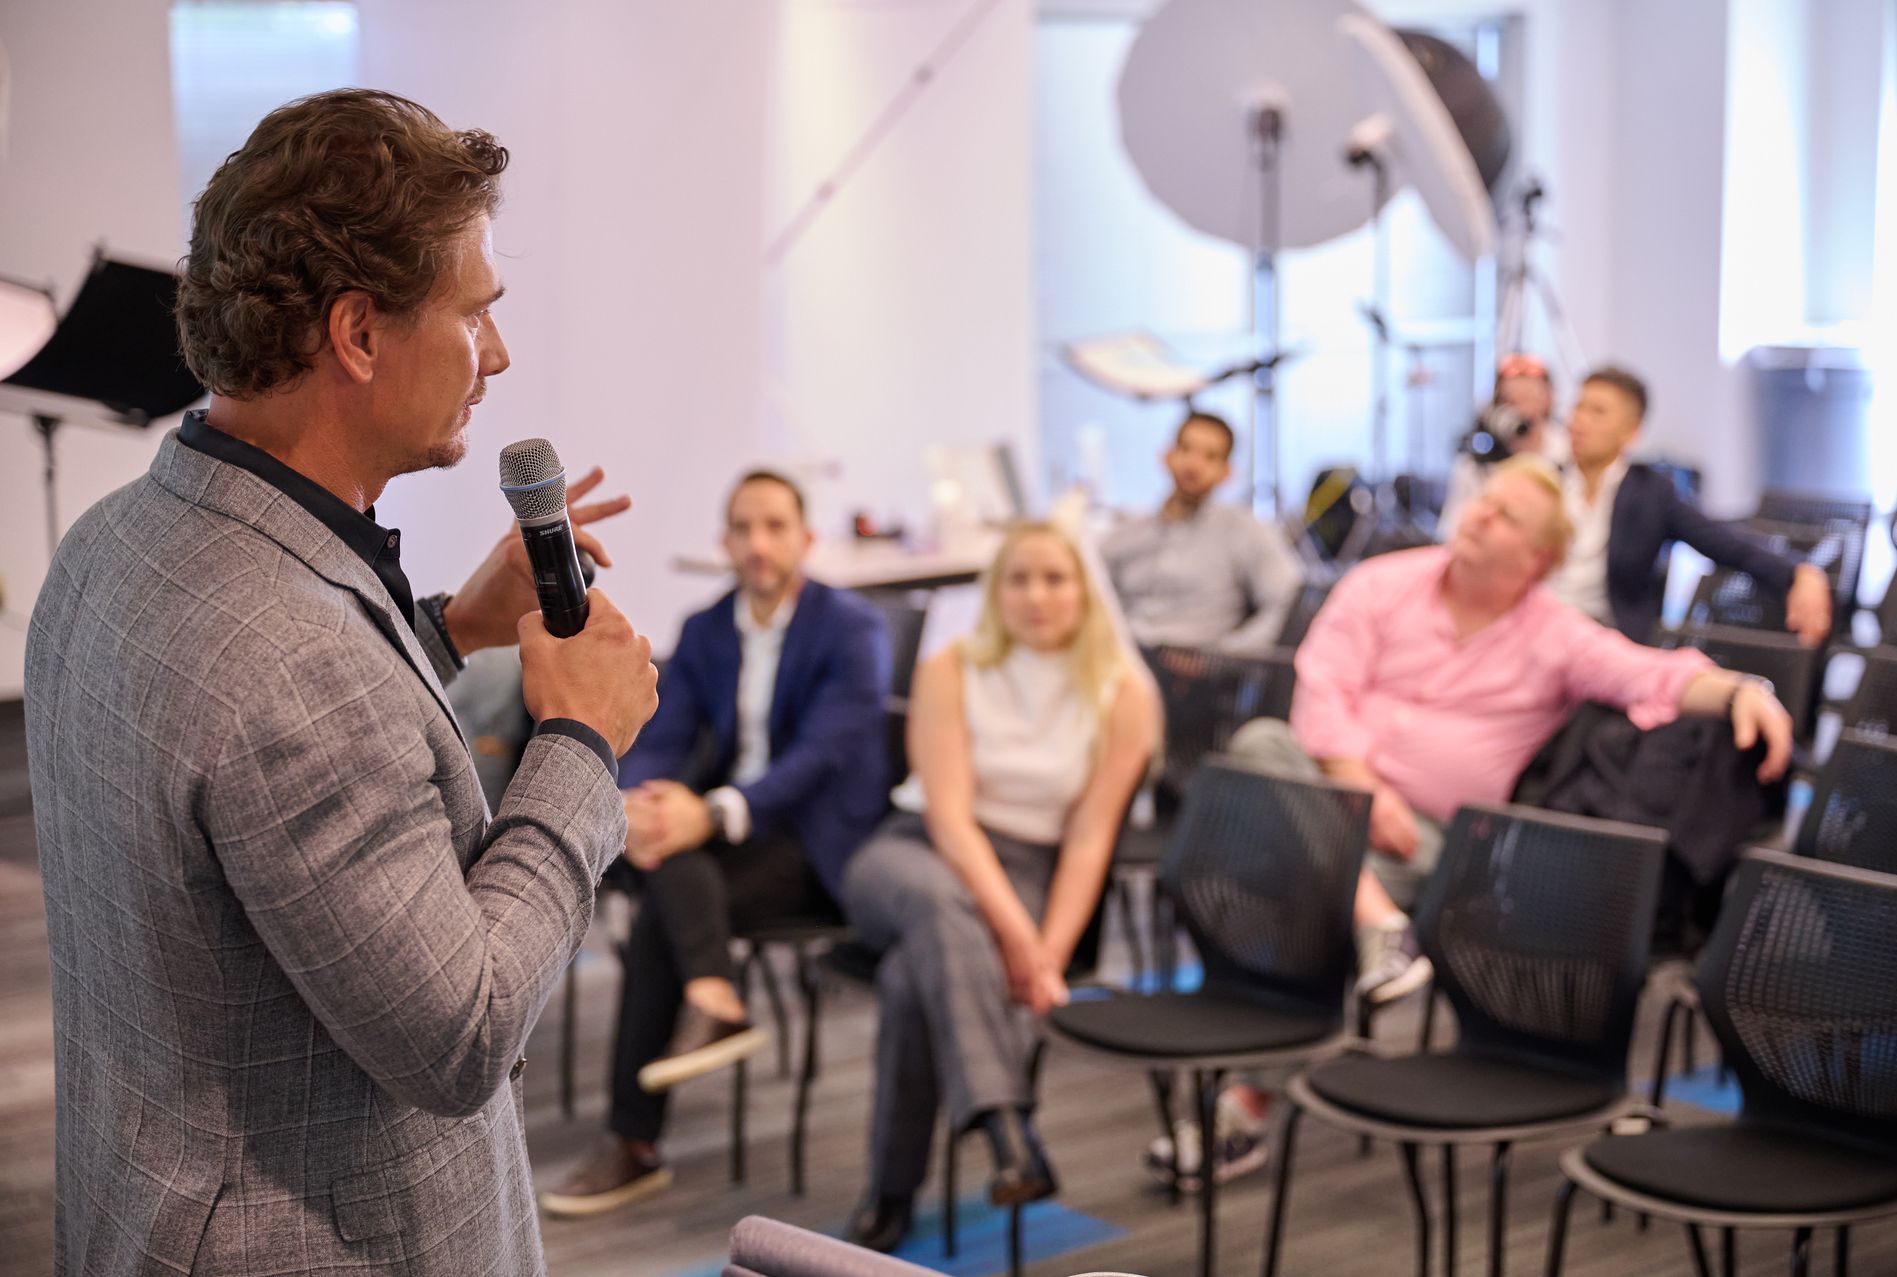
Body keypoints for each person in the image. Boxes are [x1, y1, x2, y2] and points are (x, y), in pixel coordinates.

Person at [25, 89, 658, 1275]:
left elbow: (259, 749)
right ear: (360, 334)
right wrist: (579, 737)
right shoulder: (292, 666)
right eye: (477, 315)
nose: (500, 356)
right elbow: (461, 1036)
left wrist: (455, 626)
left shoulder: (113, 542)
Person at [1147, 455, 1796, 1191]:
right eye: (1484, 502)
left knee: (1295, 878)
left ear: (1539, 559)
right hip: (1329, 793)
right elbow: (1321, 689)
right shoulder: (1382, 583)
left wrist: (1746, 687)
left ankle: (1247, 1101)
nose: (1480, 515)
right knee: (1261, 744)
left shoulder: (1556, 633)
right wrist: (1364, 791)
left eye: (1506, 515)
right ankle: (1378, 926)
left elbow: (1653, 674)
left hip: (1431, 838)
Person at [538, 469, 892, 1218]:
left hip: (816, 841)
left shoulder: (852, 628)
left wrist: (715, 811)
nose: (758, 544)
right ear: (724, 541)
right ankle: (713, 993)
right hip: (725, 839)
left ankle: (633, 1140)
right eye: (743, 528)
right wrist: (645, 797)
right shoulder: (707, 627)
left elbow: (822, 758)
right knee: (662, 847)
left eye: (774, 527)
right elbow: (662, 734)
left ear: (806, 538)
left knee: (668, 883)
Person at [840, 522, 1159, 1253]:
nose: (1037, 595)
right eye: (1018, 578)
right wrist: (1021, 943)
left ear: (1085, 589)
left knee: (911, 979)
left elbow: (1088, 838)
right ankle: (1005, 1121)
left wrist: (1048, 949)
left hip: (1028, 869)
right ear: (994, 591)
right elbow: (950, 819)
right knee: (936, 905)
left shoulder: (1124, 694)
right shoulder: (950, 666)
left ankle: (890, 1191)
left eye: (1055, 577)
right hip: (913, 853)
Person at [1554, 365, 1832, 645]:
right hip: (1536, 631)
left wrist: (1799, 572)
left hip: (1606, 642)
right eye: (1578, 407)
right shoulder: (1544, 482)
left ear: (1631, 431)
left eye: (1597, 411)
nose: (1578, 421)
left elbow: (1727, 543)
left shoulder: (1650, 492)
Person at [1102, 411, 1303, 652]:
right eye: (1186, 449)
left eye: (1210, 456)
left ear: (1227, 472)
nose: (1194, 464)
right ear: (1167, 456)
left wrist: (1229, 655)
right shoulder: (1126, 533)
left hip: (1201, 671)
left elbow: (1288, 602)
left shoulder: (1244, 530)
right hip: (1126, 658)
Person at [1437, 352, 1568, 538]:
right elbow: (1451, 531)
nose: (1521, 410)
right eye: (1511, 400)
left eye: (1529, 398)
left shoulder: (1571, 457)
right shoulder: (1475, 465)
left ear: (1549, 400)